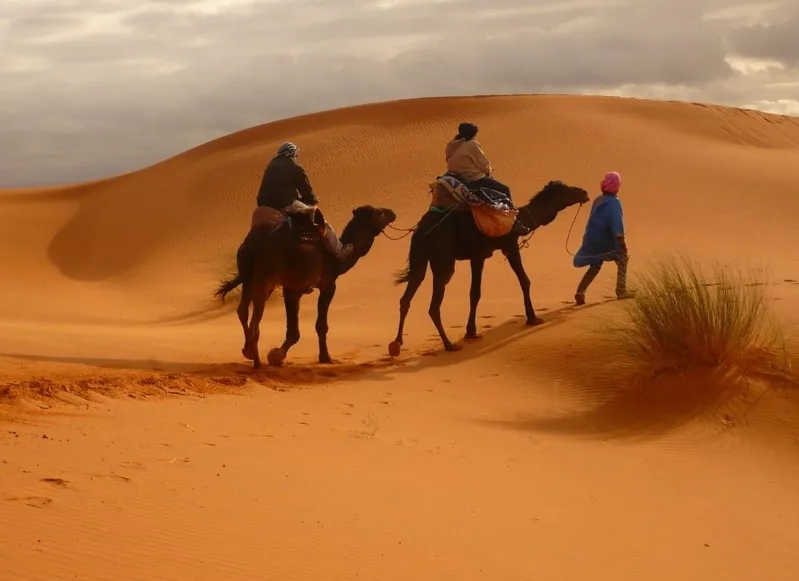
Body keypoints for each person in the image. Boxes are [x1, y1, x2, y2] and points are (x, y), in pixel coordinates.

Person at [255, 142, 352, 261]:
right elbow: (305, 187)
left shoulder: (271, 163)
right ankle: (339, 251)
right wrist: (312, 199)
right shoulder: (294, 165)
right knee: (323, 223)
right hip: (284, 203)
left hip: (264, 204)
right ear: (293, 153)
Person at [572, 171, 634, 305]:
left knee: (595, 265)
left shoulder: (598, 200)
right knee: (623, 260)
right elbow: (617, 224)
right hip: (607, 241)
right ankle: (621, 291)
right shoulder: (614, 203)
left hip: (592, 239)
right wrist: (622, 244)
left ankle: (580, 291)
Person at [445, 122, 513, 201]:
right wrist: (489, 171)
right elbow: (483, 164)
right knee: (505, 190)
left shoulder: (452, 144)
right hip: (473, 179)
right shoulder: (472, 144)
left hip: (455, 177)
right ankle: (511, 212)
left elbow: (448, 159)